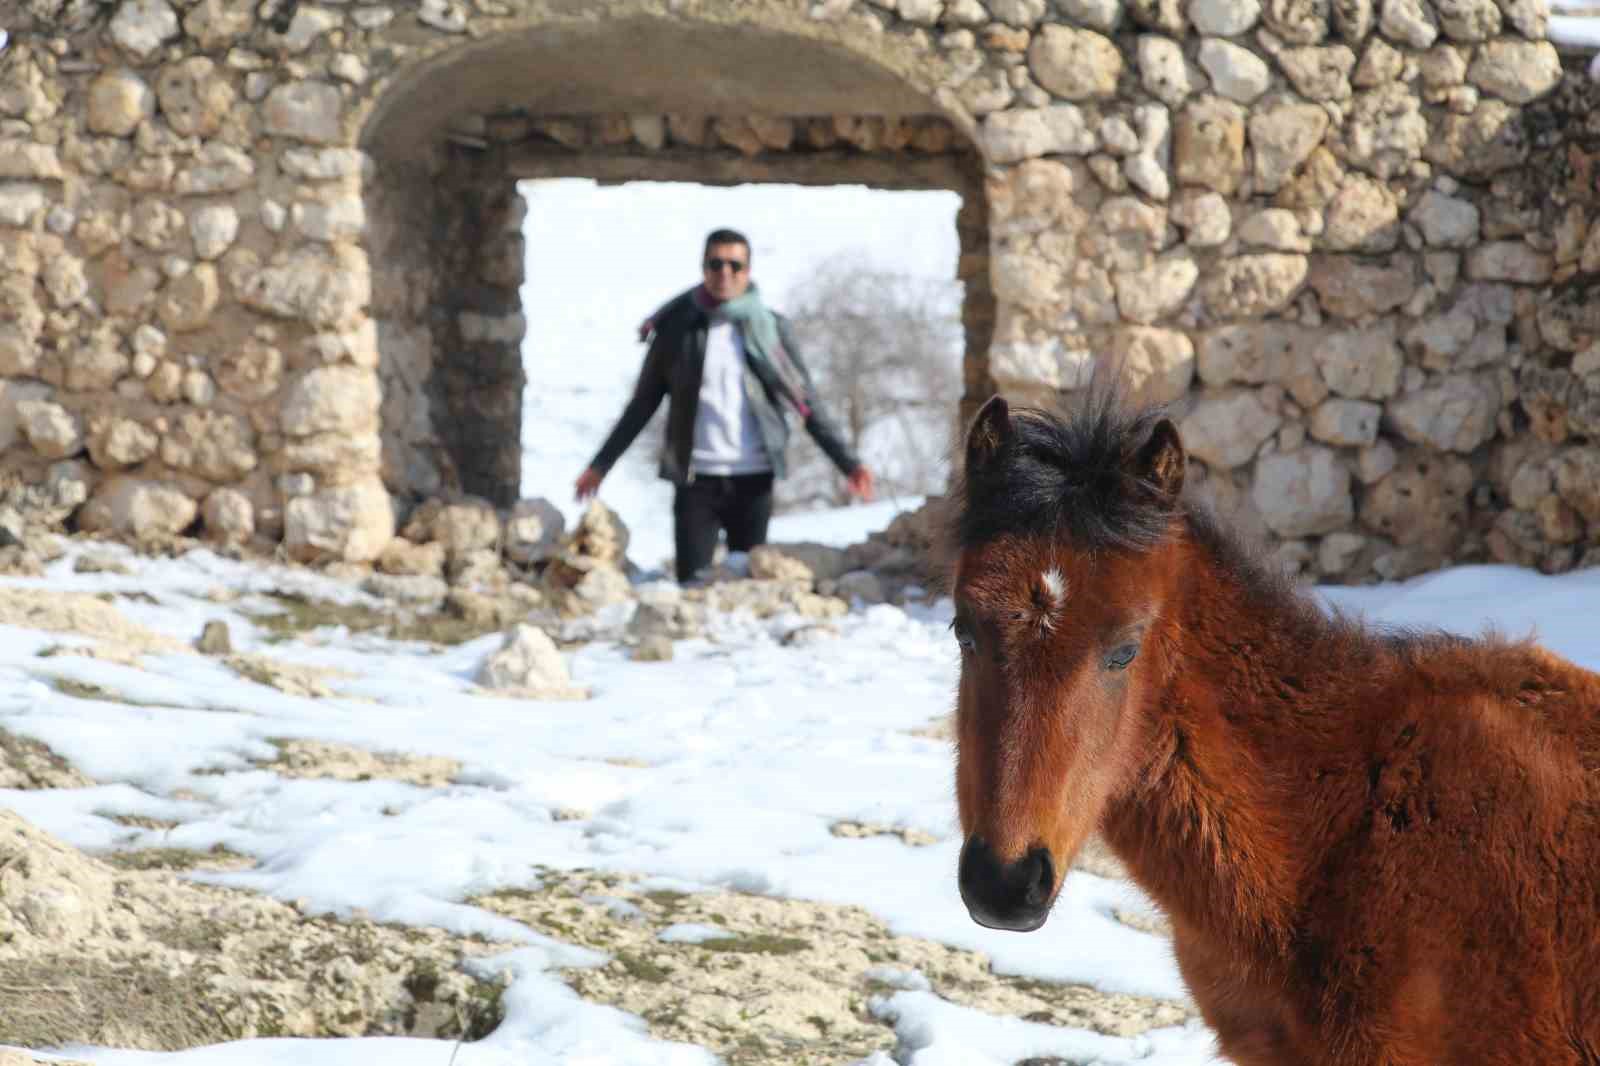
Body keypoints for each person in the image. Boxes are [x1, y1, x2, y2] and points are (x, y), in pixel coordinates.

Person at [575, 228, 876, 584]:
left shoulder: (771, 328)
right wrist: (600, 465)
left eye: (735, 265)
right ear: (703, 268)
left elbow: (805, 403)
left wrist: (849, 464)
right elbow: (642, 405)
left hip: (754, 478)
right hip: (695, 479)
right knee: (692, 587)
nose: (725, 273)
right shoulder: (676, 329)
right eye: (715, 264)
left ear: (748, 271)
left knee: (750, 587)